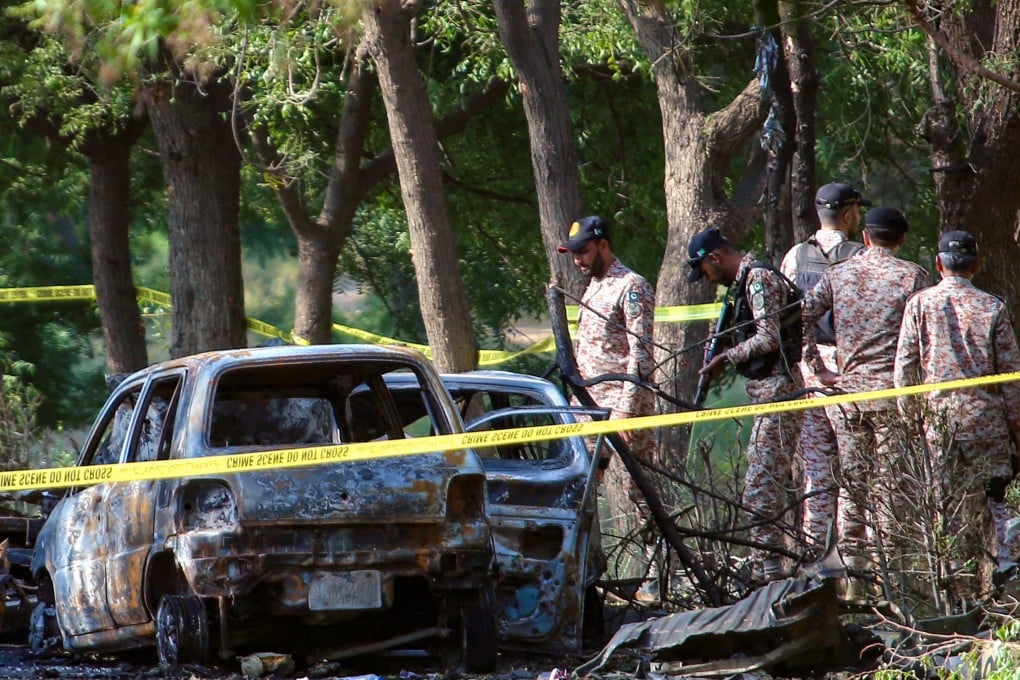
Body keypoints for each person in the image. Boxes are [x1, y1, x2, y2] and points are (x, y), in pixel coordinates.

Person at [799, 206, 929, 576]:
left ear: (866, 238)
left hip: (848, 396)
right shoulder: (912, 277)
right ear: (901, 239)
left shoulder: (839, 275)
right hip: (893, 398)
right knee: (889, 485)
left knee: (853, 485)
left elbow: (802, 315)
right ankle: (890, 574)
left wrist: (817, 367)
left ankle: (852, 573)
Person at [894, 231, 1020, 601]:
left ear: (938, 264)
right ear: (976, 264)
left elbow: (904, 370)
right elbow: (1011, 377)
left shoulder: (920, 304)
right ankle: (1005, 578)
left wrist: (912, 419)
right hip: (987, 422)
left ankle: (953, 590)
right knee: (997, 502)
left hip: (940, 424)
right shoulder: (992, 307)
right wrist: (1016, 429)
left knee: (945, 506)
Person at [688, 227, 804, 582]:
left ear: (715, 258)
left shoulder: (758, 280)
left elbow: (768, 337)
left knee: (758, 486)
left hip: (778, 391)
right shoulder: (744, 286)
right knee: (769, 482)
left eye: (705, 271)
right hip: (766, 392)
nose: (708, 280)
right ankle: (774, 565)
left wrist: (727, 356)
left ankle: (768, 570)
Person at [557, 215, 659, 597]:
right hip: (589, 407)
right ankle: (583, 575)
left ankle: (657, 576)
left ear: (602, 244)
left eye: (583, 251)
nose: (578, 260)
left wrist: (626, 410)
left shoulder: (631, 286)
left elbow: (640, 354)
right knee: (580, 489)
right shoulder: (592, 288)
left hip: (624, 406)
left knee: (640, 492)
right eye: (572, 254)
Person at [780, 183, 868, 552]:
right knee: (856, 469)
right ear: (849, 216)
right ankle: (854, 560)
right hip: (850, 367)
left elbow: (788, 317)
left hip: (807, 369)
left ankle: (815, 559)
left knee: (816, 472)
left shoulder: (795, 257)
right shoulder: (863, 257)